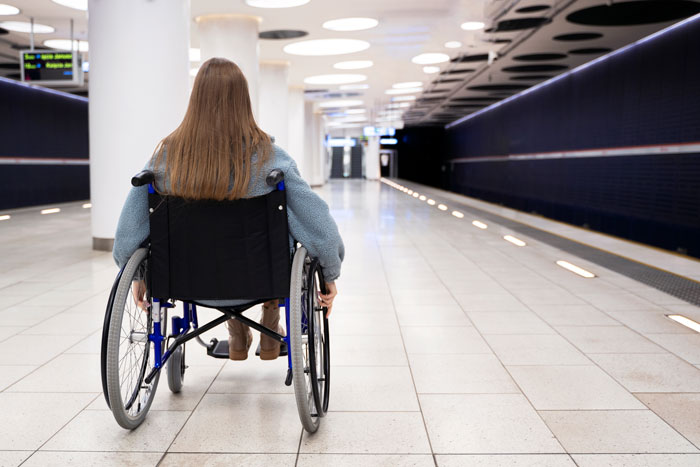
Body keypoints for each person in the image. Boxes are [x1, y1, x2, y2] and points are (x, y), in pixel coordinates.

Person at [112, 57, 344, 361]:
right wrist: (329, 270)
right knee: (261, 249)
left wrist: (134, 272)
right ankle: (269, 320)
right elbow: (316, 223)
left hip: (186, 282)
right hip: (262, 280)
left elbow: (130, 229)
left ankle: (236, 331)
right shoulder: (272, 159)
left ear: (195, 101)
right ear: (243, 101)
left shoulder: (165, 161)